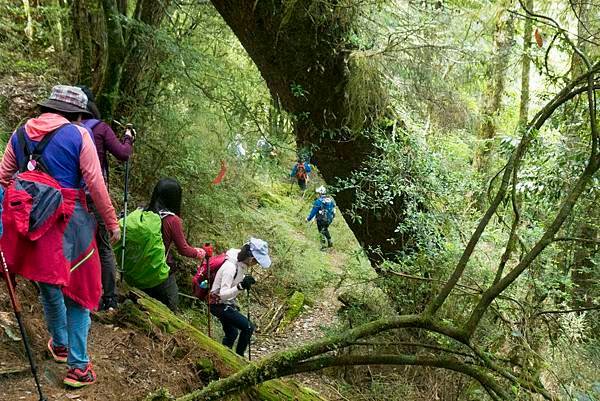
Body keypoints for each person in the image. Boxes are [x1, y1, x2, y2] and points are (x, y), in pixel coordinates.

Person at [0, 85, 120, 388]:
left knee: (48, 283)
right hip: (70, 222)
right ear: (76, 114)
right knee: (79, 291)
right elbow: (95, 183)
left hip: (28, 223)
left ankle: (61, 344)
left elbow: (3, 177)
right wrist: (111, 223)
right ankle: (78, 367)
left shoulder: (20, 133)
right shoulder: (79, 135)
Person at [78, 85, 134, 311]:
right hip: (95, 193)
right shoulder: (100, 128)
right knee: (103, 247)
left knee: (79, 241)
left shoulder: (67, 126)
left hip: (72, 193)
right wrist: (129, 138)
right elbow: (123, 154)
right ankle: (109, 298)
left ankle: (79, 290)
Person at [144, 178, 207, 312]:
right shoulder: (172, 220)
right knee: (171, 303)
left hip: (140, 263)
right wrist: (199, 252)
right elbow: (183, 249)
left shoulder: (144, 210)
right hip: (158, 267)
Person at [209, 238, 271, 357]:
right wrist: (241, 286)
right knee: (248, 327)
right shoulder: (230, 267)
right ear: (250, 258)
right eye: (256, 261)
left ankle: (222, 357)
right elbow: (223, 293)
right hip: (217, 304)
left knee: (232, 333)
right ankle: (239, 358)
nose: (255, 264)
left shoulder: (239, 264)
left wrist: (244, 282)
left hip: (224, 303)